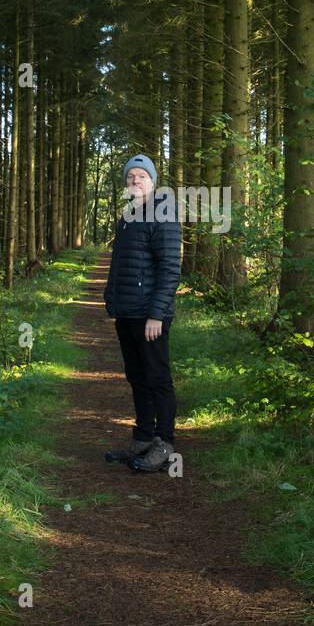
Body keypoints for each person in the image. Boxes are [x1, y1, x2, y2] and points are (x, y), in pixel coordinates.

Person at [103, 154, 182, 472]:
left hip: (150, 316)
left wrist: (156, 315)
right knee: (137, 377)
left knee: (157, 378)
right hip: (127, 313)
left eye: (141, 176)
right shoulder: (127, 216)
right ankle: (143, 436)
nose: (135, 181)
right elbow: (120, 264)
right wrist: (111, 298)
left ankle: (164, 443)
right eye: (130, 177)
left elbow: (170, 269)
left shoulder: (162, 214)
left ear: (153, 181)